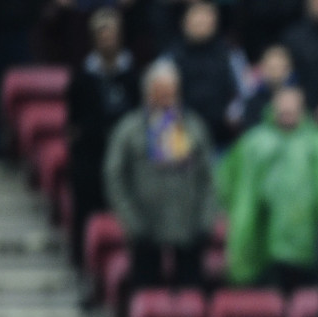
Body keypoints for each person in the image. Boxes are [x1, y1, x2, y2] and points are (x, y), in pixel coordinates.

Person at [218, 86, 318, 288]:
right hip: (262, 242)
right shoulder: (253, 143)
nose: (287, 113)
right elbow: (226, 182)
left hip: (311, 239)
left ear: (302, 109)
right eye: (283, 108)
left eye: (292, 108)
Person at [104, 61, 216, 291]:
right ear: (148, 93)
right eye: (161, 91)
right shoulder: (129, 128)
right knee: (146, 292)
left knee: (190, 296)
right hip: (145, 229)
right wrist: (132, 221)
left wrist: (205, 220)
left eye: (172, 91)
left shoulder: (193, 126)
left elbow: (210, 177)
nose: (167, 97)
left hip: (189, 228)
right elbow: (114, 176)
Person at [65, 9, 139, 258]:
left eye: (112, 35)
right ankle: (84, 264)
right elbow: (73, 122)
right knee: (87, 215)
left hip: (128, 158)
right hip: (91, 158)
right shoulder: (82, 78)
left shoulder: (135, 76)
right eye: (102, 35)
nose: (107, 40)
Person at [163, 2, 244, 148]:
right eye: (196, 16)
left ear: (215, 21)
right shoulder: (171, 58)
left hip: (222, 137)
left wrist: (234, 112)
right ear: (185, 22)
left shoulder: (230, 54)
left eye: (206, 16)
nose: (201, 21)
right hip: (183, 135)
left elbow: (244, 91)